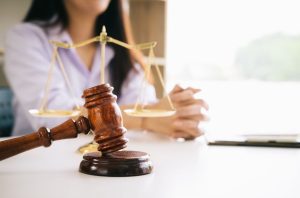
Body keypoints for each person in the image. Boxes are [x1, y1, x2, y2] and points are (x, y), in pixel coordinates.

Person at [4, 0, 208, 139]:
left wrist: (180, 115)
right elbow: (53, 116)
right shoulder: (26, 39)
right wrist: (148, 118)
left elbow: (142, 103)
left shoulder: (122, 53)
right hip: (39, 165)